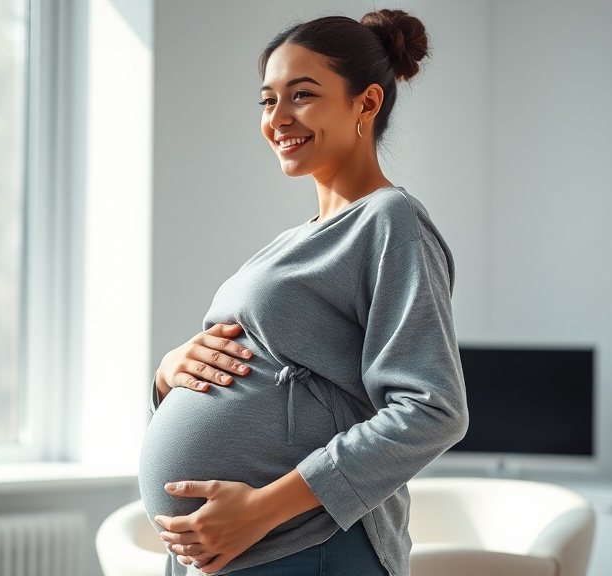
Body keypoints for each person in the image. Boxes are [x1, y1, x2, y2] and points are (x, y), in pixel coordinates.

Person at [137, 8, 469, 576]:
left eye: (302, 95)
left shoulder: (392, 222)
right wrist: (168, 374)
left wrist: (261, 511)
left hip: (307, 547)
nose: (278, 118)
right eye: (268, 100)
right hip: (227, 552)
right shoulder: (292, 241)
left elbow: (432, 410)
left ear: (366, 103)